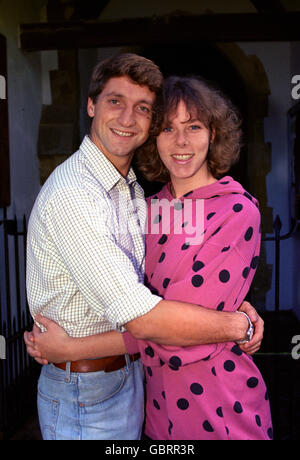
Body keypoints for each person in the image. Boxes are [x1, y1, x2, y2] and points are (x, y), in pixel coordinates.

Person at [25, 54, 263, 441]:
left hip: (212, 404)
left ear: (213, 134)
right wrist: (239, 323)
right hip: (130, 399)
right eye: (169, 128)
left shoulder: (225, 208)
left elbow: (162, 326)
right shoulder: (131, 203)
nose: (181, 141)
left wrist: (241, 320)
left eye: (195, 127)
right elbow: (146, 317)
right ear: (91, 105)